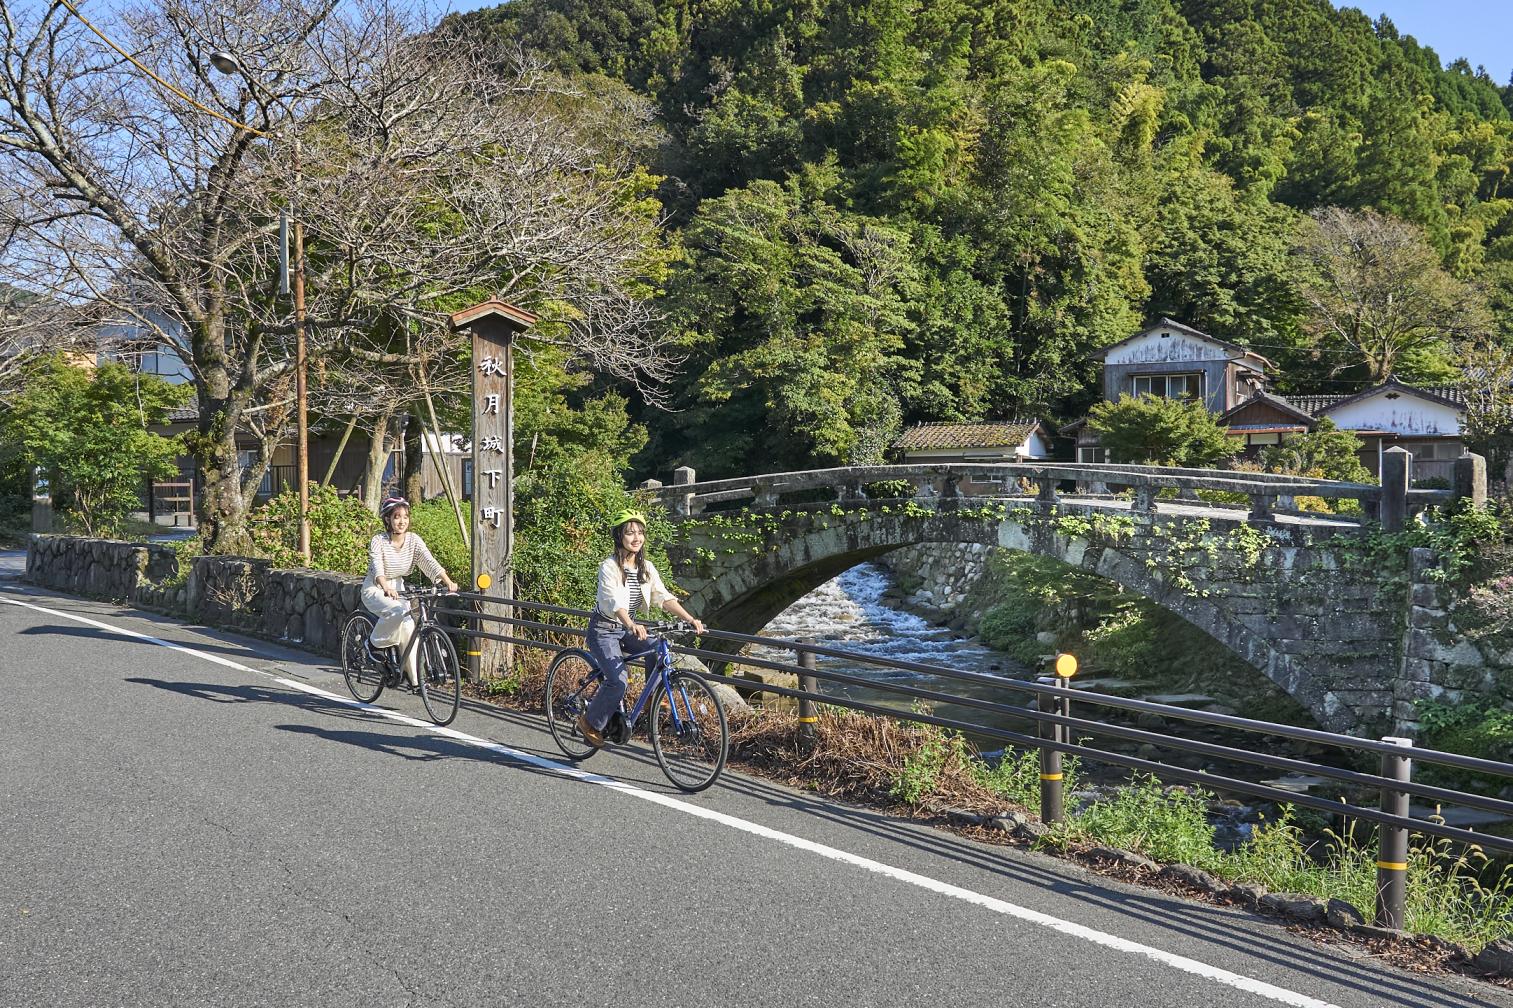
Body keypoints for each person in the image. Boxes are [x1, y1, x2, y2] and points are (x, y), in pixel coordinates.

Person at [578, 510, 704, 747]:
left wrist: (690, 618)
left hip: (627, 628)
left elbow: (663, 597)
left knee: (657, 648)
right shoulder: (609, 567)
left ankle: (651, 701)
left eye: (640, 532)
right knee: (618, 681)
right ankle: (589, 722)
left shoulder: (646, 567)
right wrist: (631, 624)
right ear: (619, 537)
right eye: (629, 533)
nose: (636, 537)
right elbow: (614, 602)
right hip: (604, 629)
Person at [361, 496, 459, 689]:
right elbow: (377, 566)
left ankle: (416, 681)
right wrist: (385, 586)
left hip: (399, 588)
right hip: (375, 588)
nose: (402, 521)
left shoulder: (413, 540)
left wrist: (447, 582)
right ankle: (373, 645)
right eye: (397, 516)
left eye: (405, 516)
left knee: (409, 628)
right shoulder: (378, 540)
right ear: (387, 519)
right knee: (397, 612)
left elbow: (428, 561)